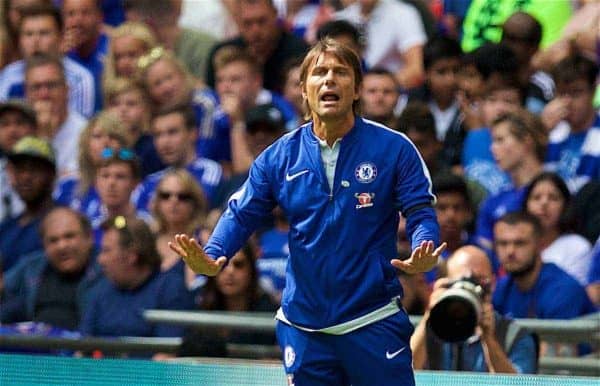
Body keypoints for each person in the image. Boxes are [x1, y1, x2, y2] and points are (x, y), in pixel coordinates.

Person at [170, 39, 446, 386]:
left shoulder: (394, 148)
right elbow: (241, 213)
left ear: (357, 88)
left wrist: (424, 246)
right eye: (319, 73)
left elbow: (420, 210)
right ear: (303, 89)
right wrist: (213, 255)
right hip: (304, 327)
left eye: (340, 72)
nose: (329, 80)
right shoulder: (279, 156)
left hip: (372, 320)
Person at [411, 245, 538, 373]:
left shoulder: (514, 335)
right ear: (445, 284)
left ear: (493, 284)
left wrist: (489, 339)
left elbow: (517, 384)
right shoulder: (431, 329)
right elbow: (402, 373)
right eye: (460, 282)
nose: (469, 289)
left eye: (478, 281)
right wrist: (430, 314)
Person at [80, 216, 194, 340]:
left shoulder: (170, 289)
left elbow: (167, 353)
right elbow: (83, 347)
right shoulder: (100, 289)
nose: (100, 259)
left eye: (107, 251)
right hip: (100, 359)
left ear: (131, 256)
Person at [1, 207, 102, 330]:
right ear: (44, 245)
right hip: (34, 345)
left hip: (84, 345)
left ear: (89, 238)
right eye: (53, 240)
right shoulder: (32, 266)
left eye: (69, 236)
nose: (62, 246)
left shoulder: (106, 268)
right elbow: (3, 287)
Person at [178, 243, 279, 357]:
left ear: (251, 270)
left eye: (238, 265)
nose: (230, 272)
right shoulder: (199, 307)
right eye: (223, 266)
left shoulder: (269, 312)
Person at [0, 3, 96, 118]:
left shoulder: (80, 79)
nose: (36, 41)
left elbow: (80, 130)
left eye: (44, 33)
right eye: (29, 34)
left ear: (60, 37)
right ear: (20, 40)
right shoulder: (9, 75)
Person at [523, 172, 592, 286]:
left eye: (553, 198)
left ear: (565, 206)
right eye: (536, 198)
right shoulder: (515, 245)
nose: (544, 203)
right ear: (526, 206)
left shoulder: (577, 247)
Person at [24, 54, 87, 177]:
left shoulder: (85, 134)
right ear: (26, 93)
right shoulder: (17, 132)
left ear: (67, 90)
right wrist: (43, 137)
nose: (44, 94)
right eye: (36, 87)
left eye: (51, 86)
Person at [0, 136, 56, 273]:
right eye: (20, 170)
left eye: (34, 169)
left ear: (51, 175)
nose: (26, 177)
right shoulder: (6, 227)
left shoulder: (62, 223)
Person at [0, 100, 37, 222]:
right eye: (5, 124)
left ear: (34, 129)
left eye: (20, 123)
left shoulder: (48, 168)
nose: (12, 130)